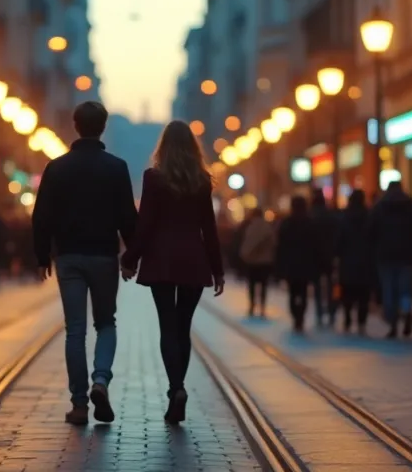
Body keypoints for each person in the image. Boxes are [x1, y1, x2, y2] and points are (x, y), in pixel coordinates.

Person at [32, 101, 137, 426]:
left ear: (75, 126)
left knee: (74, 330)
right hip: (104, 256)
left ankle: (79, 404)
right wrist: (131, 256)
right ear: (102, 127)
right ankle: (101, 381)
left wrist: (41, 256)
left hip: (69, 257)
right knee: (106, 323)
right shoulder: (116, 167)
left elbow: (41, 217)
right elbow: (127, 217)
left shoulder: (57, 167)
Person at [120, 120, 224, 424]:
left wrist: (130, 258)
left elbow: (146, 224)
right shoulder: (202, 180)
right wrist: (217, 269)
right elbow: (209, 228)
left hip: (161, 260)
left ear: (162, 148)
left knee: (167, 327)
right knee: (183, 328)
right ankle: (178, 388)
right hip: (194, 258)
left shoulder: (153, 178)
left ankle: (175, 388)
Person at [368, 181, 412, 339]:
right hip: (407, 254)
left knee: (389, 289)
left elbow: (371, 231)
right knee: (405, 289)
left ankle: (393, 323)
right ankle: (406, 312)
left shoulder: (380, 207)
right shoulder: (411, 205)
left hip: (385, 255)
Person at [277, 196, 319, 333]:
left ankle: (296, 316)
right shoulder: (310, 223)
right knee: (303, 292)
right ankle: (300, 317)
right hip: (305, 264)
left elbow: (280, 246)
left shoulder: (286, 223)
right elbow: (315, 245)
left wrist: (280, 266)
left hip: (291, 264)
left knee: (293, 293)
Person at [336, 190, 373, 333]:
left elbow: (339, 240)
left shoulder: (344, 217)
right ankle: (362, 322)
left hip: (348, 261)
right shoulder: (369, 216)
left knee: (347, 293)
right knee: (363, 294)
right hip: (364, 260)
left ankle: (347, 318)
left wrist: (337, 254)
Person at [238, 208, 275, 318]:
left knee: (252, 285)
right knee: (264, 285)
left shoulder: (250, 227)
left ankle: (252, 305)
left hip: (252, 261)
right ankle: (262, 306)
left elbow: (246, 243)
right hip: (265, 261)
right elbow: (273, 243)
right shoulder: (268, 227)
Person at [308, 192, 338, 327]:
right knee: (331, 284)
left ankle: (320, 311)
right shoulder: (331, 216)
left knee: (317, 286)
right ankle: (332, 310)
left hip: (314, 256)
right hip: (330, 255)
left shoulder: (310, 217)